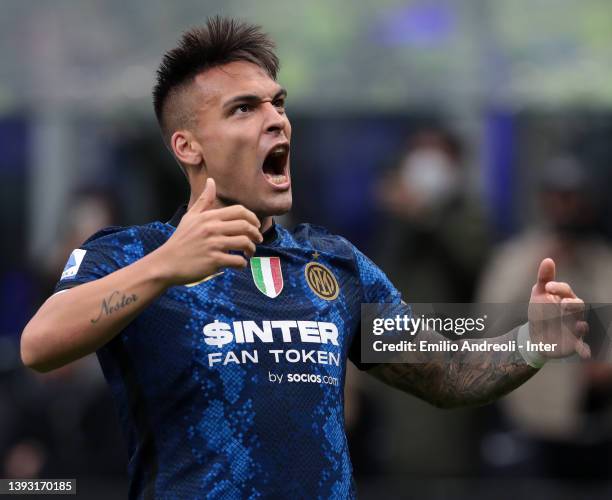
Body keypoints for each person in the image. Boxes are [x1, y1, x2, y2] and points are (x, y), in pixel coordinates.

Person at [21, 17, 590, 499]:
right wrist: (169, 263)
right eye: (244, 108)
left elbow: (443, 374)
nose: (276, 118)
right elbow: (39, 345)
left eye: (278, 103)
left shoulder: (335, 266)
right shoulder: (132, 253)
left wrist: (532, 341)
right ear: (187, 145)